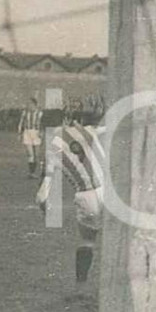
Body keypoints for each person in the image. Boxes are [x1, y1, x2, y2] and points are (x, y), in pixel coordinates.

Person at [35, 114, 106, 297]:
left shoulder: (52, 151)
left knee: (87, 241)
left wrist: (44, 208)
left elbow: (42, 195)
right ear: (65, 120)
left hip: (86, 196)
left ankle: (80, 287)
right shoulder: (87, 130)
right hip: (110, 190)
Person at [18, 97, 44, 178]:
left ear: (34, 104)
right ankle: (31, 173)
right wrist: (19, 133)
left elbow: (43, 123)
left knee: (37, 154)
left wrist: (41, 132)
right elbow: (21, 123)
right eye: (28, 104)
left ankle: (43, 170)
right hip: (27, 132)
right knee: (30, 154)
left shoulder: (40, 113)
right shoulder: (25, 113)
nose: (28, 105)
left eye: (30, 104)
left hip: (36, 133)